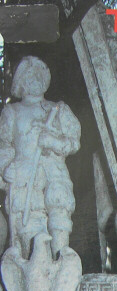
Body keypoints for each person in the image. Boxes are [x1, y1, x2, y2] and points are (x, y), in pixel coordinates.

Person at [0, 56, 80, 258]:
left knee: (59, 219)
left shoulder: (58, 109)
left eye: (39, 74)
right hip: (25, 179)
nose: (35, 79)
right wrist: (6, 167)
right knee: (30, 234)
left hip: (55, 177)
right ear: (20, 82)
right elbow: (4, 146)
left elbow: (73, 142)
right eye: (29, 75)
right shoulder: (12, 112)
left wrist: (53, 141)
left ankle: (61, 262)